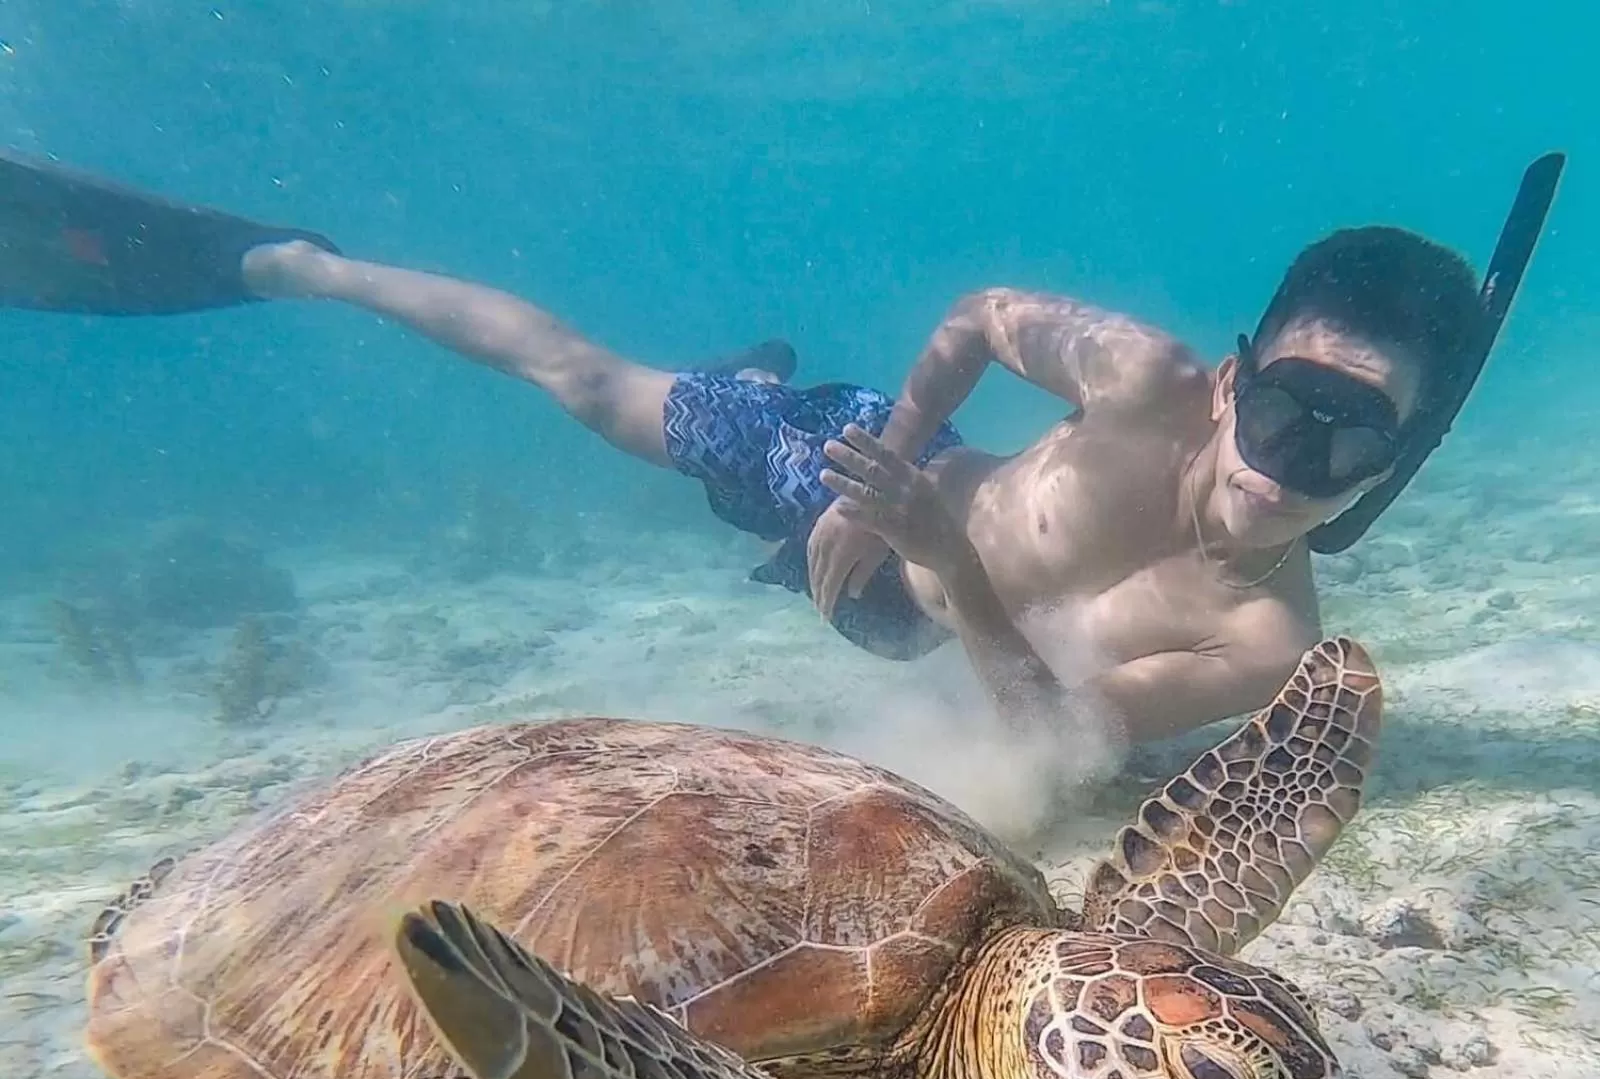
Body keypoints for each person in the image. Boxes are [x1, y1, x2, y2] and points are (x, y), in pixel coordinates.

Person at [1, 149, 1561, 744]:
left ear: (1397, 463)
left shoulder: (1263, 637)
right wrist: (892, 464)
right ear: (1230, 377)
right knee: (587, 385)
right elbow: (975, 313)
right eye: (1289, 400)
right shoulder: (1141, 377)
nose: (1296, 459)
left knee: (790, 530)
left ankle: (777, 433)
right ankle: (300, 261)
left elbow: (1046, 743)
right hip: (846, 480)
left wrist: (940, 559)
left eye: (1356, 440)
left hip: (906, 588)